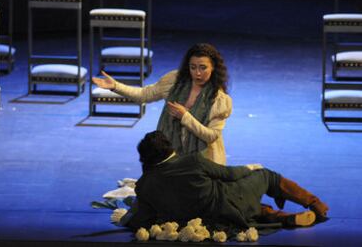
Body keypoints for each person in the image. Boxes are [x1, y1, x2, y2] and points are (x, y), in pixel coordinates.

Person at [120, 131, 329, 230]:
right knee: (267, 176)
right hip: (229, 204)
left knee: (252, 208)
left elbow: (140, 219)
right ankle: (315, 204)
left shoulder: (144, 185)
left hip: (209, 221)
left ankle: (286, 219)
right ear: (169, 148)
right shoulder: (192, 161)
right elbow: (230, 174)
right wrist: (249, 168)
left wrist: (126, 218)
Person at [92, 43, 232, 165]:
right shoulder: (173, 81)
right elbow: (144, 95)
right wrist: (115, 86)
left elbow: (211, 136)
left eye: (203, 68)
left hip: (204, 161)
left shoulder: (219, 99)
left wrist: (185, 117)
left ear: (213, 67)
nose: (198, 73)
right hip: (171, 156)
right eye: (193, 67)